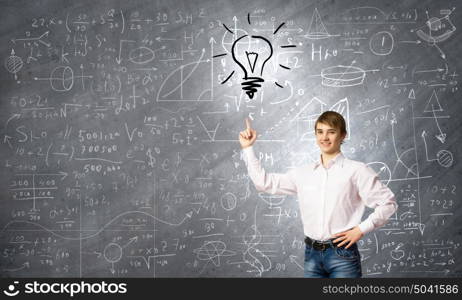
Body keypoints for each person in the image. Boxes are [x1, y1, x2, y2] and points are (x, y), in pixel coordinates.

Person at [239, 111, 397, 278]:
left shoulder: (357, 170)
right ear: (315, 135)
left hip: (342, 255)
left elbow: (388, 203)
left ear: (343, 135)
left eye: (331, 132)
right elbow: (263, 183)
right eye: (320, 132)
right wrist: (248, 148)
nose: (325, 137)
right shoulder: (303, 173)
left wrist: (361, 229)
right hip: (312, 255)